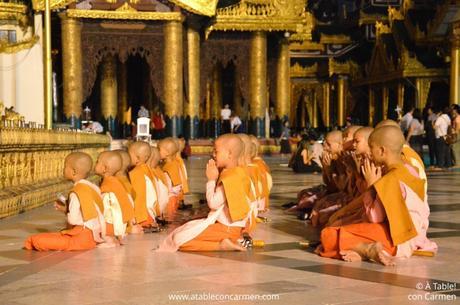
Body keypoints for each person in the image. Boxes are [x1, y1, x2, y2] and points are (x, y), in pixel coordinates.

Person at [318, 126, 437, 265]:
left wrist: (371, 185)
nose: (370, 152)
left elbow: (374, 217)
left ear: (381, 151)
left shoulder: (390, 179)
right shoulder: (409, 171)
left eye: (371, 147)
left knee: (328, 235)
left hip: (395, 240)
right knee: (343, 230)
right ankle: (360, 250)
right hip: (411, 237)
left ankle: (368, 250)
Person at [158, 134, 252, 252]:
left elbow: (213, 203)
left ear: (229, 154)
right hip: (232, 227)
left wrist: (211, 180)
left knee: (178, 239)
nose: (213, 154)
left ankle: (221, 246)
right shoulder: (239, 172)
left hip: (227, 229)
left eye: (216, 151)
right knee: (184, 229)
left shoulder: (230, 178)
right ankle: (231, 240)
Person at [24, 152, 105, 251]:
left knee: (36, 240)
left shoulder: (76, 193)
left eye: (65, 166)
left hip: (81, 239)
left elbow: (73, 220)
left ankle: (33, 241)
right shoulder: (93, 187)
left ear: (74, 172)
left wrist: (66, 211)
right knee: (59, 234)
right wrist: (66, 208)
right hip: (95, 235)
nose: (63, 169)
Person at [96, 151, 135, 247]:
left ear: (104, 168)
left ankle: (111, 238)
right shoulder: (115, 182)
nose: (95, 163)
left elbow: (108, 210)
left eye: (97, 162)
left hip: (112, 225)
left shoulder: (107, 186)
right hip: (122, 224)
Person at [128, 141, 160, 232]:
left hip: (143, 216)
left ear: (137, 158)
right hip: (150, 214)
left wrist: (137, 219)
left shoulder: (136, 173)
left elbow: (138, 197)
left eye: (129, 155)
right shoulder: (147, 169)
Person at [158, 138, 183, 217]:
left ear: (167, 153)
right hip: (175, 197)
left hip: (170, 198)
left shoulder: (168, 168)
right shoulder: (174, 164)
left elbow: (169, 185)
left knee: (169, 217)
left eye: (159, 149)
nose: (157, 152)